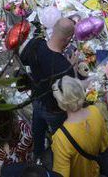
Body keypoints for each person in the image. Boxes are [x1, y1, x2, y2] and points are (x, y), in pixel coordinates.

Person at [20, 18, 87, 160]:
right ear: (68, 38)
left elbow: (23, 59)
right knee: (59, 134)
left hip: (37, 98)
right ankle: (58, 155)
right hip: (54, 109)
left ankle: (37, 153)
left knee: (37, 128)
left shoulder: (36, 43)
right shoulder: (64, 67)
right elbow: (69, 93)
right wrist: (72, 68)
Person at [51, 76, 108, 177]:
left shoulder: (61, 138)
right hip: (98, 169)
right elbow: (105, 144)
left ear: (61, 103)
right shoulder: (95, 111)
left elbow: (61, 175)